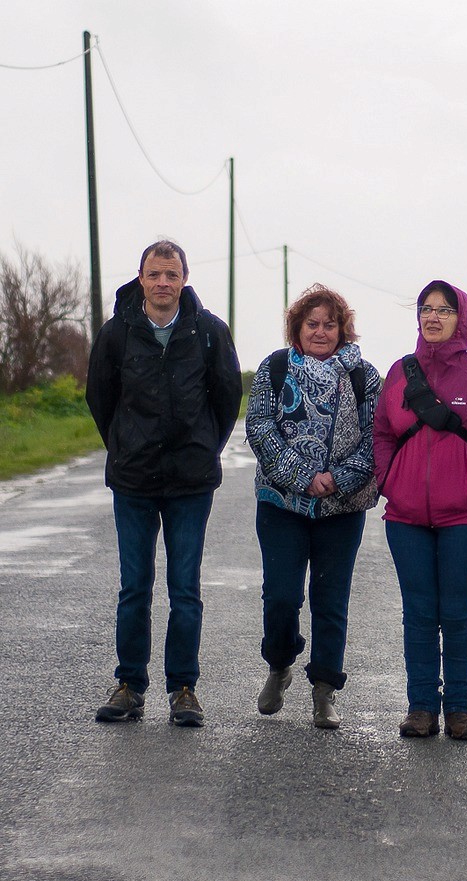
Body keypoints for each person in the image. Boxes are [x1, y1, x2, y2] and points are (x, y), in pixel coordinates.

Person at [86, 240, 242, 727]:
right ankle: (130, 684)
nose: (162, 284)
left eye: (171, 275)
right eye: (154, 274)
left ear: (183, 280)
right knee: (134, 586)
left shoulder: (210, 332)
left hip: (190, 484)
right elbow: (100, 399)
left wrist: (201, 450)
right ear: (140, 278)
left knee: (185, 589)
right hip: (133, 480)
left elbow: (225, 399)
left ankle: (184, 689)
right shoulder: (116, 334)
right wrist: (125, 445)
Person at [373, 280, 467, 741]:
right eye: (426, 309)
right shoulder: (399, 373)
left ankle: (459, 708)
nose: (433, 318)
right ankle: (420, 708)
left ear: (463, 319)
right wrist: (389, 479)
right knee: (417, 611)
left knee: (457, 611)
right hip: (406, 516)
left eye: (444, 310)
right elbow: (382, 433)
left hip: (466, 518)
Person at [245, 284, 380, 729]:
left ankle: (324, 691)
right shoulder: (275, 367)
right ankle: (279, 664)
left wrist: (338, 479)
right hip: (282, 503)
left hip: (341, 508)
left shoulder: (365, 376)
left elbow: (376, 439)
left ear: (343, 329)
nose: (321, 332)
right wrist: (305, 477)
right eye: (312, 324)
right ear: (297, 328)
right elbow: (261, 428)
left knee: (331, 599)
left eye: (330, 324)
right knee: (281, 596)